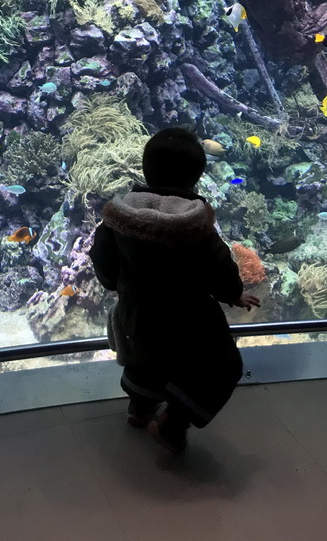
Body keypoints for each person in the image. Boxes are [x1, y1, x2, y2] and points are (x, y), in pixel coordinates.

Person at [89, 126, 260, 451]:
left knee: (145, 362)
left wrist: (118, 285)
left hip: (136, 315)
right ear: (195, 178)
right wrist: (232, 293)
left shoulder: (118, 221)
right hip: (191, 320)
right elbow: (221, 268)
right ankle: (174, 422)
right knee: (224, 367)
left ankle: (139, 411)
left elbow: (103, 262)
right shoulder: (197, 229)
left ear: (145, 169)